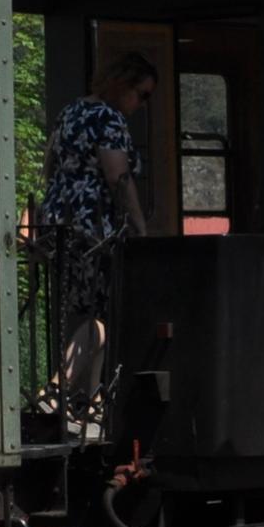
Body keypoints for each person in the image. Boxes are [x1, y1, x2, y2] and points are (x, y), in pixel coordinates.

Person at [34, 53, 160, 424]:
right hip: (92, 229)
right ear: (122, 84)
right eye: (142, 94)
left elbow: (50, 165)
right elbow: (118, 177)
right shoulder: (108, 119)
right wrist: (139, 226)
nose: (142, 103)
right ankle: (56, 390)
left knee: (82, 313)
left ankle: (91, 402)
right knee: (99, 315)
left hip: (62, 223)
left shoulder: (71, 111)